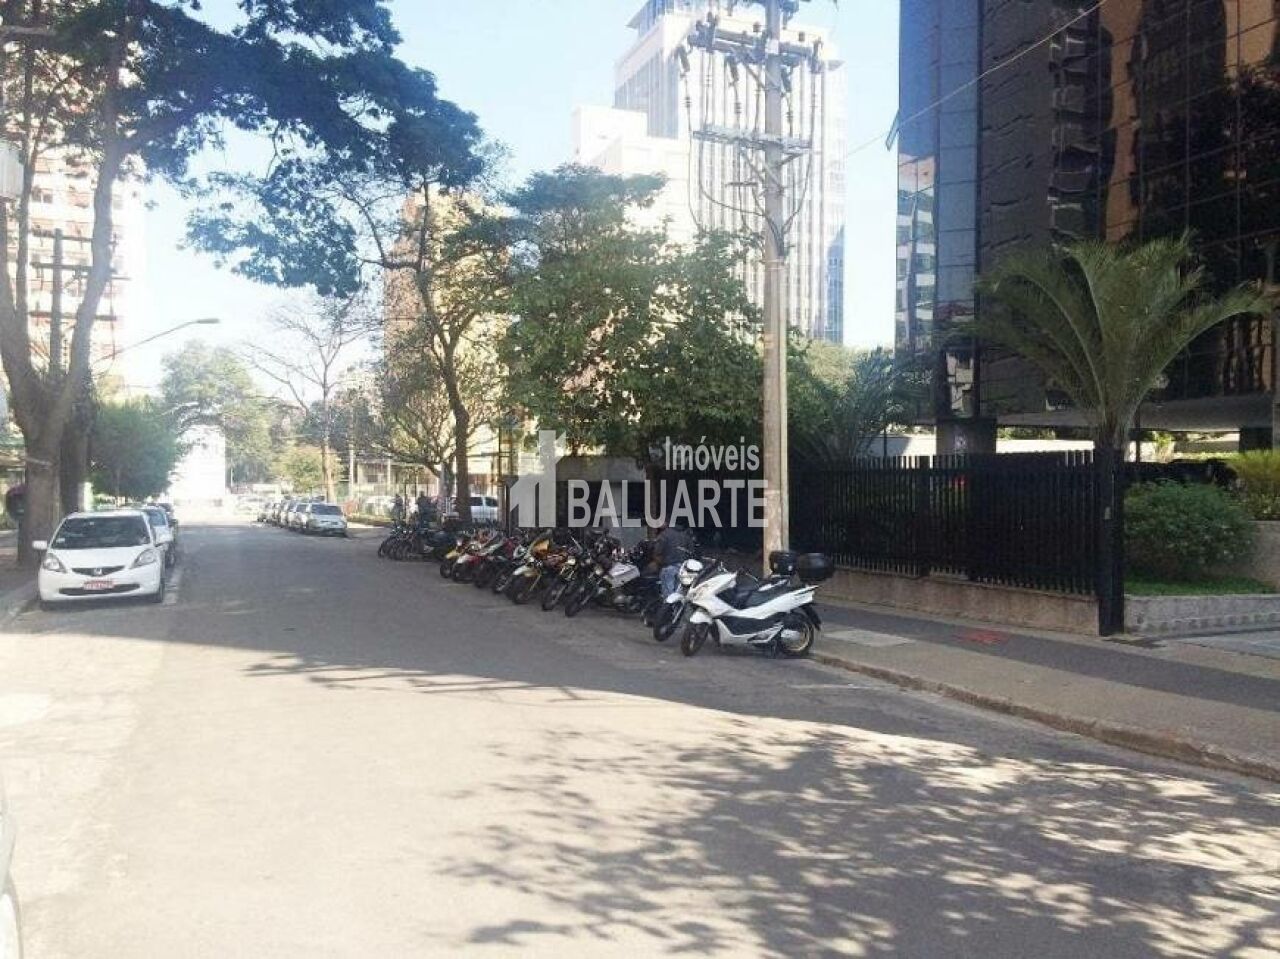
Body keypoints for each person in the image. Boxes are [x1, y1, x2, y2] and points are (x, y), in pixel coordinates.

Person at [652, 520, 694, 598]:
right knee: (679, 596)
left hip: (669, 568)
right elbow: (691, 552)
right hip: (683, 570)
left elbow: (657, 553)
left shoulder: (664, 535)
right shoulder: (686, 535)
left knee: (669, 596)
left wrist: (661, 564)